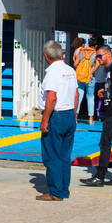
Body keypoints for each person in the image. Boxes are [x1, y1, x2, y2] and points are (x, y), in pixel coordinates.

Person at [36, 40, 79, 201]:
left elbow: (51, 98)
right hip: (69, 114)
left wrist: (45, 120)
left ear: (46, 56)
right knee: (64, 155)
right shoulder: (69, 70)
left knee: (52, 155)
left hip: (57, 116)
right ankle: (63, 190)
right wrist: (74, 115)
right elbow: (76, 95)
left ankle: (55, 192)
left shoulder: (52, 73)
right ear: (61, 54)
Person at [83, 42, 112, 187]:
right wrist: (105, 92)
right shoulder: (108, 70)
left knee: (105, 142)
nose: (98, 59)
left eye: (99, 56)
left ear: (107, 54)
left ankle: (100, 176)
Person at [72, 37, 100, 125]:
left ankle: (75, 117)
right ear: (96, 46)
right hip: (90, 78)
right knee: (90, 97)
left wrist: (80, 70)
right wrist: (91, 72)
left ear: (88, 44)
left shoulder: (81, 51)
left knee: (79, 96)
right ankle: (91, 118)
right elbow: (98, 64)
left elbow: (75, 64)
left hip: (80, 78)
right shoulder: (96, 53)